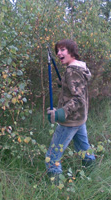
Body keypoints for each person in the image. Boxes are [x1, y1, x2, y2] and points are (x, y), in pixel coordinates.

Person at [45, 39, 95, 179]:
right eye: (57, 51)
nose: (59, 53)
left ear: (72, 52)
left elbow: (78, 98)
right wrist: (64, 84)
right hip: (80, 118)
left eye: (62, 50)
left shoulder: (72, 71)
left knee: (52, 156)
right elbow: (79, 89)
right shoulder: (81, 67)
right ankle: (91, 174)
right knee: (84, 149)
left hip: (70, 120)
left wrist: (61, 113)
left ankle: (55, 185)